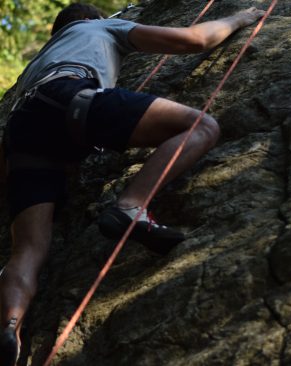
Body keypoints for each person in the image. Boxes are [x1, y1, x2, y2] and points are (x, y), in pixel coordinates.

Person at [0, 2, 265, 364]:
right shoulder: (98, 28)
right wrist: (242, 17)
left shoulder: (37, 62)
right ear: (92, 19)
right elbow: (195, 40)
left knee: (28, 251)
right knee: (202, 126)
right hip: (69, 100)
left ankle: (9, 325)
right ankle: (131, 206)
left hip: (22, 133)